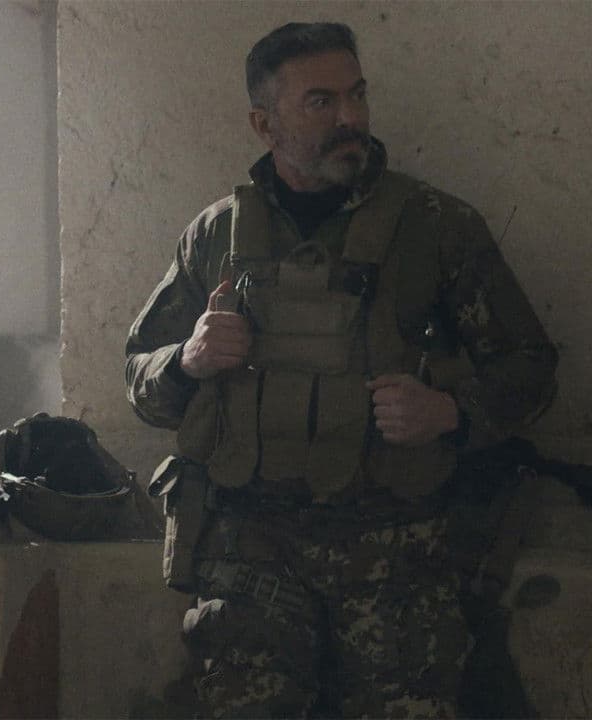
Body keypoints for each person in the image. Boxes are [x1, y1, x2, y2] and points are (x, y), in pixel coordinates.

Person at [125, 21, 556, 718]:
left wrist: (449, 413)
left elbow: (529, 368)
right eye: (321, 102)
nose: (350, 117)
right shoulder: (216, 235)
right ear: (265, 124)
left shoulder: (436, 226)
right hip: (251, 558)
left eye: (357, 95)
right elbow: (140, 380)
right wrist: (189, 359)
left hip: (395, 558)